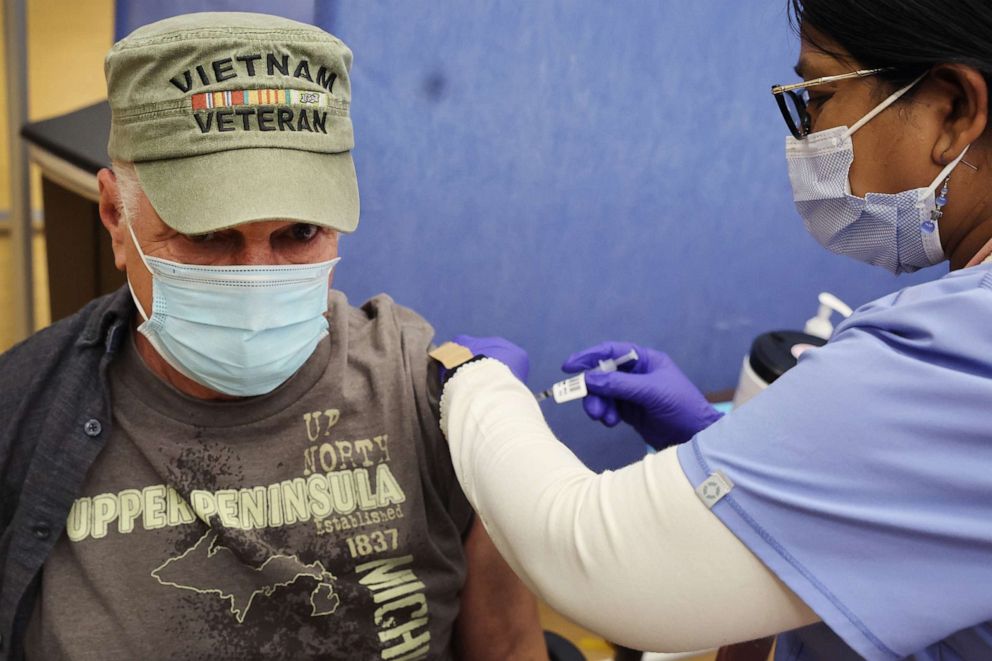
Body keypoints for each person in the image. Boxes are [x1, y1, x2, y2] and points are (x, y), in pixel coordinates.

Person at [437, 1, 992, 659]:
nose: (807, 136)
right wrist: (718, 449)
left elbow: (591, 556)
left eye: (817, 97)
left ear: (954, 110)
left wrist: (475, 388)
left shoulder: (957, 350)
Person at [0, 13, 548, 661]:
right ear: (116, 216)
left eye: (298, 234)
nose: (257, 278)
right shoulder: (21, 420)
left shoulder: (427, 405)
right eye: (210, 236)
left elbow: (511, 645)